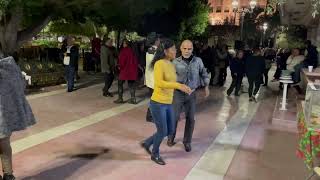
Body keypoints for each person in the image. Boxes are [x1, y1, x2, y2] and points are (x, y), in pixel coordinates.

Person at [140, 38, 192, 165]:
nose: (175, 51)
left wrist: (183, 85)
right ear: (165, 51)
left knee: (170, 130)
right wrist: (178, 86)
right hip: (158, 103)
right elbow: (160, 83)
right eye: (173, 49)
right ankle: (155, 154)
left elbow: (172, 81)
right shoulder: (159, 63)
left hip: (168, 102)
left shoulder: (171, 63)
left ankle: (147, 143)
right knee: (162, 131)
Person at [169, 40, 210, 152]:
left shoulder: (198, 61)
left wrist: (206, 87)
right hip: (177, 93)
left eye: (189, 48)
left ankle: (187, 142)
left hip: (191, 94)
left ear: (192, 49)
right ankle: (170, 137)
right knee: (174, 117)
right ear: (181, 49)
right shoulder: (174, 62)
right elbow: (170, 79)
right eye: (185, 48)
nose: (187, 51)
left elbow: (204, 73)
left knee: (191, 119)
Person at [0, 56, 36, 180]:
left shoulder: (7, 66)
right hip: (4, 115)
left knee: (4, 143)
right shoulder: (8, 66)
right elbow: (21, 85)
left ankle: (8, 174)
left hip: (3, 116)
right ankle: (8, 174)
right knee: (4, 144)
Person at [114, 39, 139, 104]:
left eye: (124, 43)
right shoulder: (132, 51)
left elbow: (122, 61)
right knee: (131, 85)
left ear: (126, 44)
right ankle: (133, 99)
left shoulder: (123, 51)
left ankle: (120, 98)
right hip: (132, 70)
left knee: (120, 83)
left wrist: (119, 66)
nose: (123, 44)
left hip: (125, 70)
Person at [145, 37, 161, 122]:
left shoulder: (149, 50)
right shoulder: (154, 51)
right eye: (159, 40)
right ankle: (150, 116)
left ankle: (152, 115)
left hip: (150, 79)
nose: (160, 41)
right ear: (156, 41)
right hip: (153, 79)